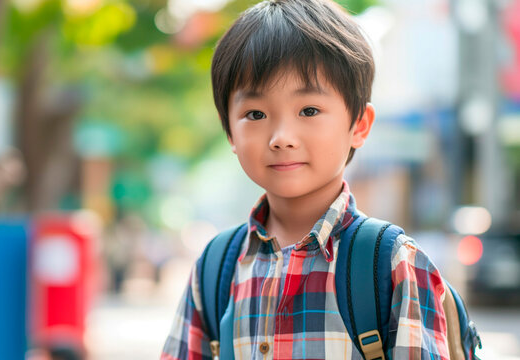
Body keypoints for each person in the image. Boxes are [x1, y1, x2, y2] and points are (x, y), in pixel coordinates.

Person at [161, 0, 453, 359]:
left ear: (359, 125)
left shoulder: (391, 263)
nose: (281, 137)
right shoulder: (216, 267)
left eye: (309, 110)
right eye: (255, 113)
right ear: (230, 133)